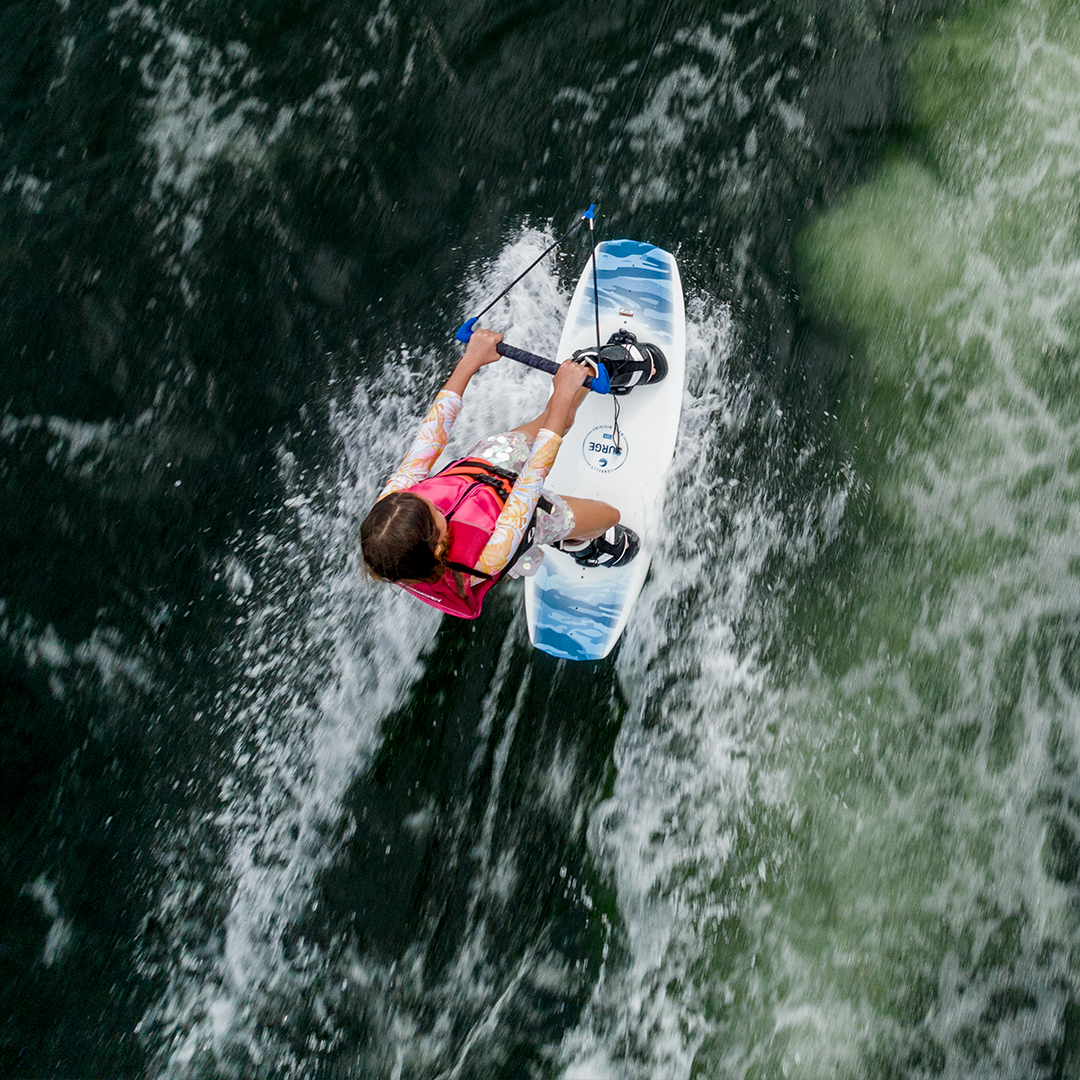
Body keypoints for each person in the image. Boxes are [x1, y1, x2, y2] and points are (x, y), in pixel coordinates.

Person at [360, 327, 638, 619]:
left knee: (558, 417)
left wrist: (470, 360)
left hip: (479, 475)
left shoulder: (393, 506)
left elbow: (430, 438)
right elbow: (532, 477)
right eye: (434, 511)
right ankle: (582, 546)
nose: (430, 500)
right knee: (610, 517)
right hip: (517, 518)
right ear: (439, 543)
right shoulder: (489, 556)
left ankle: (586, 371)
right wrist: (561, 392)